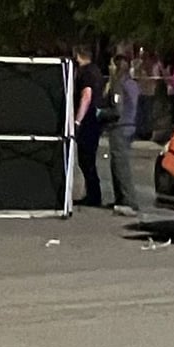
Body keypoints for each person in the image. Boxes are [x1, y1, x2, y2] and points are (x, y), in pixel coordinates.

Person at [103, 54, 140, 217]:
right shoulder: (132, 83)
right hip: (130, 125)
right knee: (119, 163)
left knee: (120, 165)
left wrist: (101, 113)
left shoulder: (118, 84)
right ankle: (121, 199)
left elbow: (117, 110)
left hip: (120, 126)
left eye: (111, 65)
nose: (109, 67)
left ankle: (128, 201)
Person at [72, 44, 105, 207]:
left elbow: (86, 96)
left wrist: (78, 120)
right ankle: (92, 194)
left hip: (88, 120)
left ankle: (94, 196)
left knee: (86, 159)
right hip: (94, 120)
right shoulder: (96, 71)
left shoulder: (86, 73)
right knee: (88, 159)